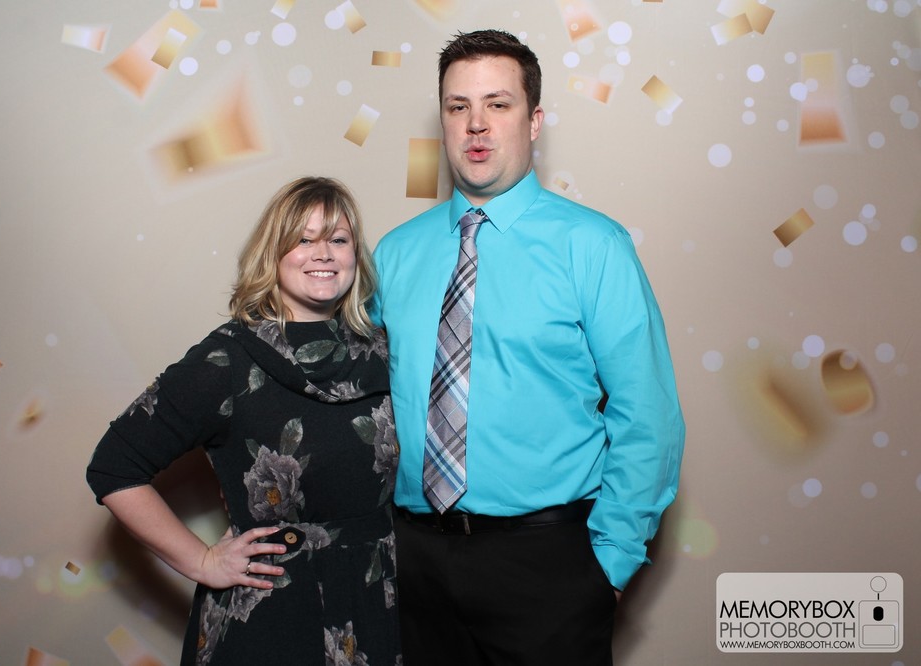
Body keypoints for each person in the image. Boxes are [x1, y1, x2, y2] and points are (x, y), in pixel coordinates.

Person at [371, 30, 685, 664]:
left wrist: (609, 565)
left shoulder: (593, 246)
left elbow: (647, 415)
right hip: (414, 565)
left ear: (534, 121)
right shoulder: (395, 253)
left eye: (498, 103)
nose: (476, 124)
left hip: (548, 566)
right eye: (458, 106)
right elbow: (362, 404)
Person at [87, 177, 401, 666]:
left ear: (355, 257)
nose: (323, 253)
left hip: (378, 602)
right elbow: (113, 467)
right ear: (272, 254)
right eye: (303, 239)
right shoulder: (227, 360)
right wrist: (202, 561)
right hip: (273, 615)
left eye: (338, 240)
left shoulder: (385, 351)